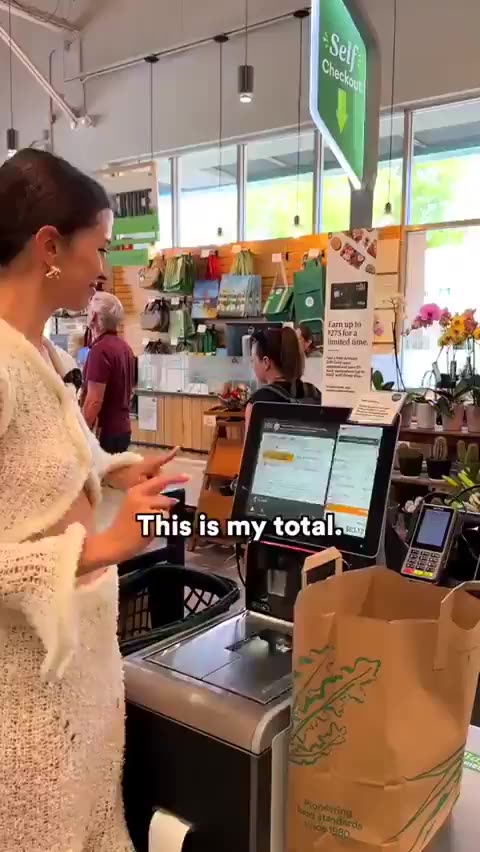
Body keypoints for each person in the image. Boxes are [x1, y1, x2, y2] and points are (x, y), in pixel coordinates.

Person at [0, 149, 188, 852]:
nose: (105, 268)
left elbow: (42, 468)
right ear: (50, 245)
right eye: (100, 247)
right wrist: (102, 546)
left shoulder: (43, 357)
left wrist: (117, 473)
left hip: (79, 697)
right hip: (24, 715)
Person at [81, 291, 136, 454]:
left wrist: (81, 434)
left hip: (104, 431)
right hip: (123, 428)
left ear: (94, 316)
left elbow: (94, 401)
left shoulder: (99, 350)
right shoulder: (125, 347)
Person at [245, 326, 321, 435]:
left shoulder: (258, 403)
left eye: (253, 360)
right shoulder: (313, 392)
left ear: (266, 362)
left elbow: (249, 446)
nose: (252, 365)